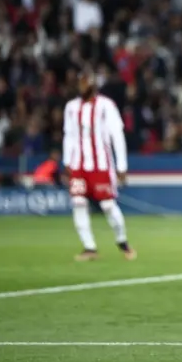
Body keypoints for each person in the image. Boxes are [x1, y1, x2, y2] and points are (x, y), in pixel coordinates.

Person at [62, 68, 136, 262]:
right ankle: (89, 248)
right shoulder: (71, 107)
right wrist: (66, 161)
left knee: (108, 205)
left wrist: (122, 166)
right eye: (81, 82)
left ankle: (122, 242)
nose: (83, 85)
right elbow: (68, 136)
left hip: (100, 165)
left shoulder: (106, 106)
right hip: (79, 165)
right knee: (78, 203)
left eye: (86, 81)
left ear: (94, 84)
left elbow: (117, 136)